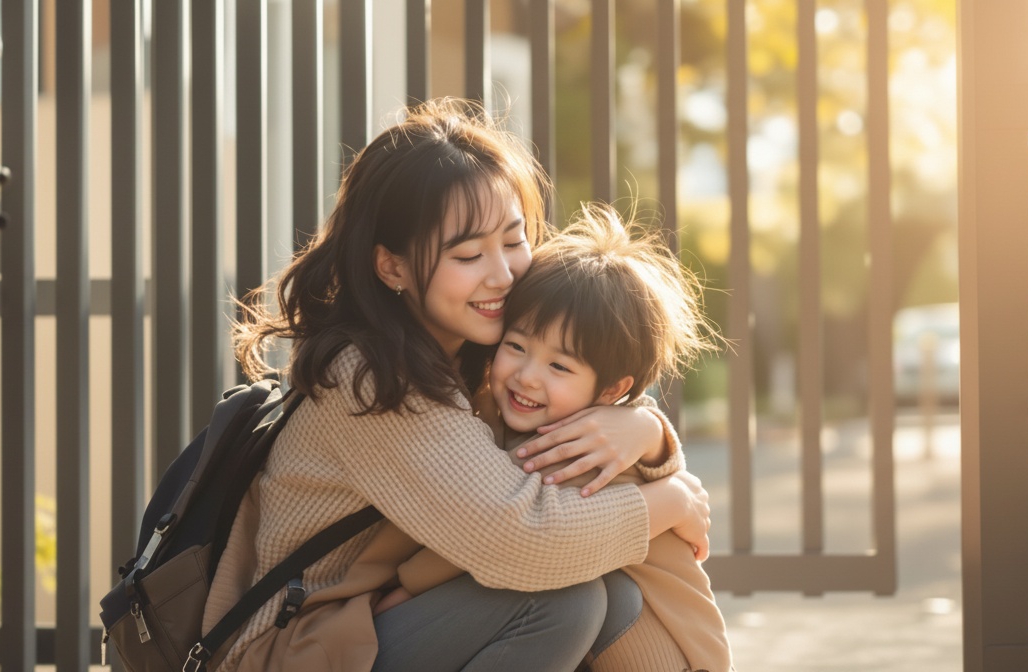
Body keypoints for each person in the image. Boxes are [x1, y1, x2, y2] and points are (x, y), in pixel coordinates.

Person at [202, 98, 712, 672]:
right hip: (294, 649)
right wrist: (669, 499)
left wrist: (645, 429)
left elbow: (565, 443)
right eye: (469, 254)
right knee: (561, 601)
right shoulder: (372, 379)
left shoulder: (477, 350)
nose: (502, 274)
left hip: (365, 626)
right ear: (391, 267)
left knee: (610, 593)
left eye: (514, 240)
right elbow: (526, 538)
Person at [375, 204, 735, 672]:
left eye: (559, 366)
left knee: (567, 593)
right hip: (613, 635)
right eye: (517, 347)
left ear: (611, 391)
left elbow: (500, 536)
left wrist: (407, 588)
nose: (527, 377)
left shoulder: (577, 448)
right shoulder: (501, 410)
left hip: (664, 648)